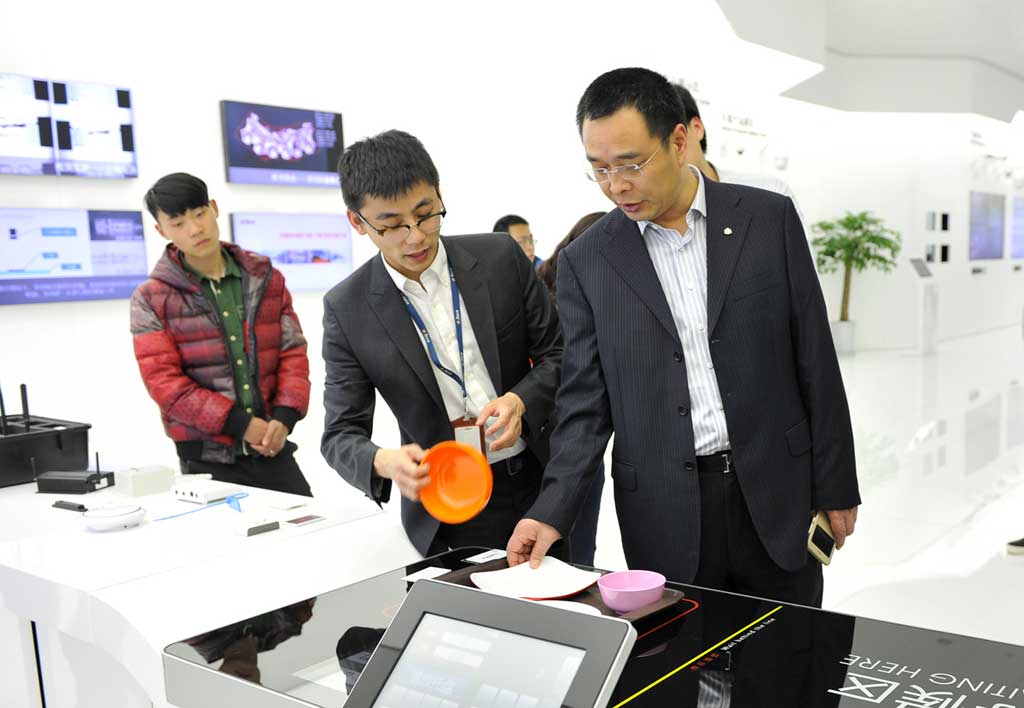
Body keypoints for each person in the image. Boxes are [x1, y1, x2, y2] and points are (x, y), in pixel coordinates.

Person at [508, 68, 859, 607]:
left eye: (631, 164)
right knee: (683, 652)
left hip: (776, 492)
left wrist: (836, 484)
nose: (616, 186)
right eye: (599, 169)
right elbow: (584, 405)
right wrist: (550, 510)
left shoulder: (766, 219)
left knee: (792, 648)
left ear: (677, 141)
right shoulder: (588, 261)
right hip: (664, 508)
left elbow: (815, 359)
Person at [321, 130, 564, 557]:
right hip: (447, 502)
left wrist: (521, 400)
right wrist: (382, 460)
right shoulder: (348, 307)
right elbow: (340, 434)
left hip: (540, 481)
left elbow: (560, 354)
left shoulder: (501, 259)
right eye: (392, 225)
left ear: (439, 194)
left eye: (426, 214)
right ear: (357, 222)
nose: (415, 237)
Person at [131, 172, 312, 496]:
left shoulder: (264, 277)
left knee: (311, 524)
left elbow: (292, 352)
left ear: (213, 208)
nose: (194, 229)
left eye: (199, 214)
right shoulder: (151, 298)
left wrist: (284, 418)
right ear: (162, 231)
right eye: (178, 223)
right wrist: (241, 425)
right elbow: (165, 384)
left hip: (272, 444)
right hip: (206, 458)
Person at [536, 211, 606, 567]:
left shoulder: (547, 290)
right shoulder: (553, 305)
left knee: (575, 548)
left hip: (574, 433)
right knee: (574, 551)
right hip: (565, 433)